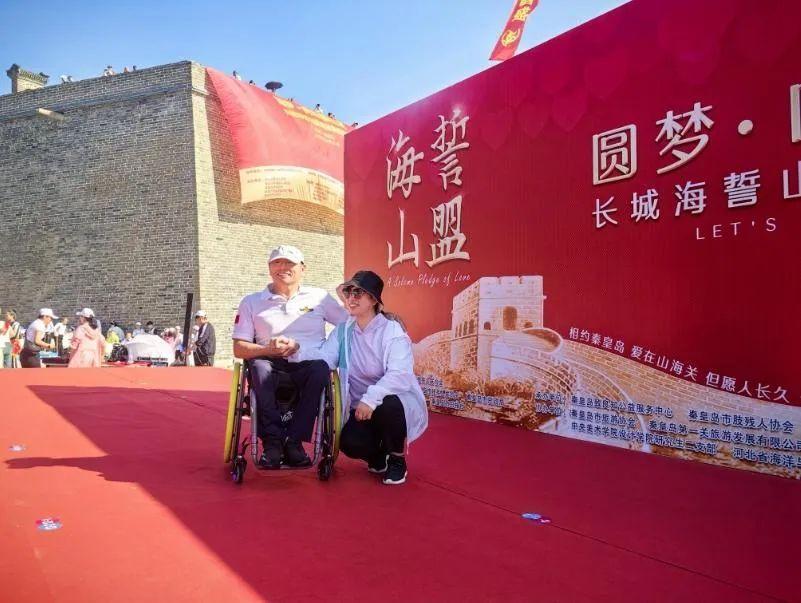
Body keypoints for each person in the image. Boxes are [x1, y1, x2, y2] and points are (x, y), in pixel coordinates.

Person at [304, 271, 428, 485]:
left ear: (373, 299)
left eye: (358, 293)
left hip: (390, 403)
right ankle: (377, 456)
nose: (351, 298)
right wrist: (293, 352)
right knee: (348, 442)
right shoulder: (343, 331)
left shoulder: (392, 331)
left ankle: (396, 459)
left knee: (389, 404)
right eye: (348, 292)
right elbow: (325, 359)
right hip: (359, 408)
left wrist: (370, 399)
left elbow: (400, 375)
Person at [232, 244, 347, 469]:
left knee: (321, 369)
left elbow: (348, 324)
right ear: (269, 268)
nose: (282, 267)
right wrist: (268, 349)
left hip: (308, 362)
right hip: (269, 362)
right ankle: (273, 443)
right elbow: (239, 348)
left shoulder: (319, 297)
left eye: (289, 263)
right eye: (277, 262)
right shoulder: (251, 302)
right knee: (259, 368)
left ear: (303, 268)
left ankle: (294, 442)